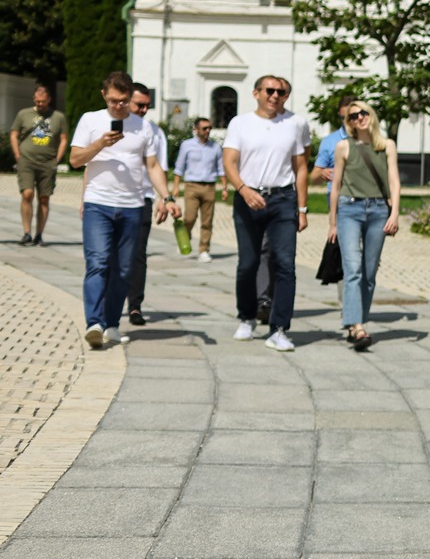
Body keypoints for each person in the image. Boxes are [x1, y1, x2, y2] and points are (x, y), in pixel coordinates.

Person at [68, 71, 171, 349]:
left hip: (132, 207)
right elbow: (75, 159)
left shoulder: (143, 128)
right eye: (113, 101)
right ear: (104, 95)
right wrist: (101, 143)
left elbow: (152, 166)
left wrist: (167, 195)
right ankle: (94, 323)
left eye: (123, 102)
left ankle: (111, 324)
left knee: (124, 270)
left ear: (130, 98)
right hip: (98, 204)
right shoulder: (90, 120)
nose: (118, 107)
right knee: (98, 263)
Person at [222, 73, 311, 351]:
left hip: (282, 198)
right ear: (256, 92)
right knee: (248, 263)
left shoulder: (296, 123)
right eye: (270, 91)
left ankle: (279, 328)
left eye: (282, 92)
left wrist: (302, 208)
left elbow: (301, 167)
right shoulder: (240, 123)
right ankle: (247, 316)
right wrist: (243, 189)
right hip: (248, 197)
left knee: (285, 263)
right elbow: (229, 162)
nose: (275, 96)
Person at [328, 99, 402, 351]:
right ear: (348, 123)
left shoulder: (387, 146)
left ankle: (356, 321)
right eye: (353, 116)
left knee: (369, 272)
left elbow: (394, 181)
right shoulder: (343, 147)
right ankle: (356, 325)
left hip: (379, 211)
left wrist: (395, 214)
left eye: (363, 113)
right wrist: (332, 223)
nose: (359, 118)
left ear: (371, 115)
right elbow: (335, 186)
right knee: (353, 268)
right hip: (350, 210)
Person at [121, 85, 172, 327]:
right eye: (138, 105)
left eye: (146, 106)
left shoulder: (155, 132)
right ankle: (106, 302)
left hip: (142, 198)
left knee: (137, 254)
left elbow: (159, 167)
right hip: (112, 198)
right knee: (108, 255)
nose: (143, 110)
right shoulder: (114, 126)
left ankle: (135, 306)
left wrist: (164, 198)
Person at [11, 81, 67, 246]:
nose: (40, 104)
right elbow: (14, 134)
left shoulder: (58, 117)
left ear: (49, 99)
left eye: (43, 101)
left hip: (48, 162)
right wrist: (17, 154)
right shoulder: (23, 114)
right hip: (26, 161)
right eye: (37, 101)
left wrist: (58, 158)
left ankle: (39, 234)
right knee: (27, 194)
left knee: (44, 198)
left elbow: (63, 139)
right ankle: (27, 232)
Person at [172, 117, 224, 262]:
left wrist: (224, 187)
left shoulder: (215, 147)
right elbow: (179, 167)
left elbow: (220, 168)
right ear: (196, 129)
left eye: (209, 128)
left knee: (207, 221)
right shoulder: (187, 145)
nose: (208, 131)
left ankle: (204, 249)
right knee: (189, 217)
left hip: (209, 186)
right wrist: (176, 187)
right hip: (191, 186)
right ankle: (185, 238)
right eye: (204, 128)